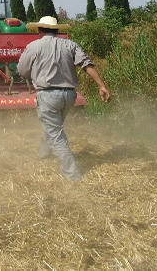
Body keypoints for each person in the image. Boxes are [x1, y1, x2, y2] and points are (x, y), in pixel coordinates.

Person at [17, 16, 111, 181]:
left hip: (48, 95)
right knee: (53, 125)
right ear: (57, 30)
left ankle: (72, 175)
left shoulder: (34, 46)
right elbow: (87, 64)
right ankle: (44, 153)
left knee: (56, 133)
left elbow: (22, 71)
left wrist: (37, 70)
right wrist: (101, 86)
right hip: (69, 95)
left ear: (39, 30)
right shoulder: (70, 45)